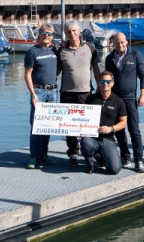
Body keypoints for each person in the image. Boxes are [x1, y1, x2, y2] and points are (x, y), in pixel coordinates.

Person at [57, 20, 101, 166]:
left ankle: (90, 151)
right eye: (68, 32)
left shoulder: (90, 47)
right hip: (67, 92)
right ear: (65, 34)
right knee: (70, 126)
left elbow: (96, 68)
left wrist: (100, 85)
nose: (72, 34)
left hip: (86, 92)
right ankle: (73, 153)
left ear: (79, 32)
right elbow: (55, 71)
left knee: (87, 125)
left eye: (74, 31)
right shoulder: (61, 50)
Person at [105, 32, 144, 172]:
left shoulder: (135, 55)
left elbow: (143, 76)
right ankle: (125, 156)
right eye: (117, 42)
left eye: (122, 42)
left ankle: (138, 159)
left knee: (134, 130)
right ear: (113, 43)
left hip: (130, 98)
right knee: (119, 130)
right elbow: (107, 79)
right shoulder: (109, 58)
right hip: (116, 100)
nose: (120, 45)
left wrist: (142, 95)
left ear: (126, 42)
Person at [24, 23, 59, 169]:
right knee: (35, 126)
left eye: (50, 34)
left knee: (48, 126)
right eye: (44, 33)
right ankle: (33, 157)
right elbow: (27, 74)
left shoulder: (54, 49)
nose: (46, 36)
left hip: (53, 92)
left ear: (53, 37)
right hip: (39, 92)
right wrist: (33, 94)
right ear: (39, 34)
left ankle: (44, 155)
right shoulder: (32, 52)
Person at [81, 71, 127, 174]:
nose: (105, 83)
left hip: (107, 139)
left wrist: (111, 129)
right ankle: (89, 165)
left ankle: (99, 156)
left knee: (115, 169)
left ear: (112, 83)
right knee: (85, 142)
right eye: (102, 81)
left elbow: (123, 122)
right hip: (92, 137)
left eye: (108, 81)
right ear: (99, 83)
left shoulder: (118, 101)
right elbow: (82, 117)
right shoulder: (91, 99)